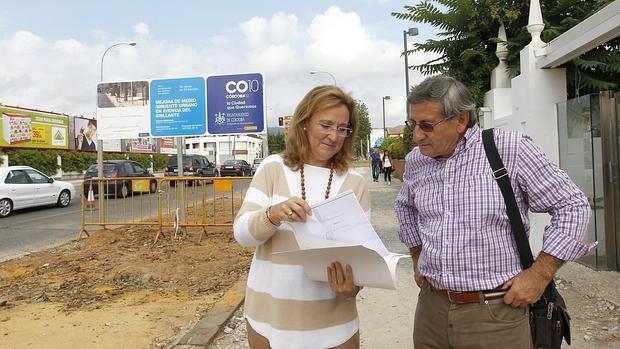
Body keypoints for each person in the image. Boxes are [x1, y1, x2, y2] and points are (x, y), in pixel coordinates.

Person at [394, 75, 591, 348]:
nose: (416, 135)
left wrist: (540, 274)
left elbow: (572, 205)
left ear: (461, 120)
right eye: (413, 124)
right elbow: (405, 206)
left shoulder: (509, 149)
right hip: (432, 311)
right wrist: (417, 255)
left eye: (427, 125)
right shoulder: (417, 161)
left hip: (496, 315)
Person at [233, 85, 368, 349]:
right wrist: (272, 214)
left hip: (334, 326)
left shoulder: (355, 182)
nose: (334, 136)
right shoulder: (273, 167)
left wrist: (353, 287)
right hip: (268, 320)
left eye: (343, 129)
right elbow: (242, 234)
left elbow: (361, 256)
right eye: (326, 125)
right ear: (304, 123)